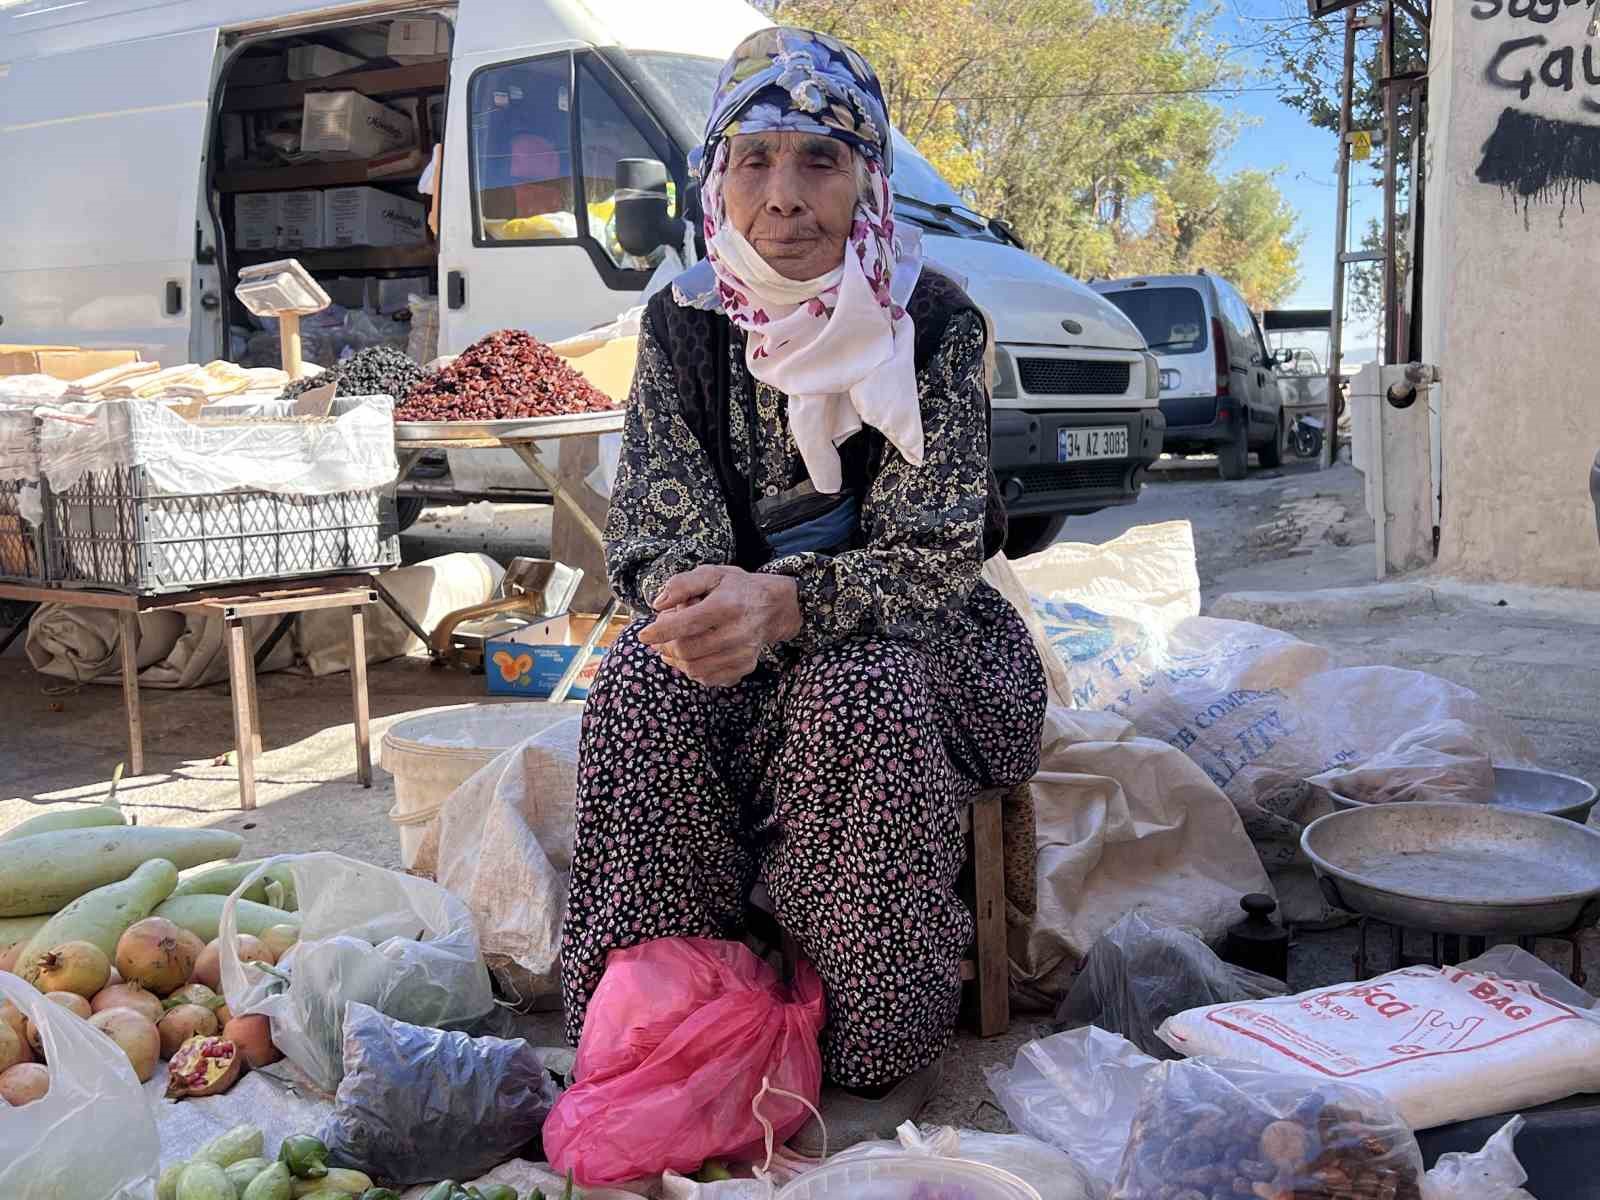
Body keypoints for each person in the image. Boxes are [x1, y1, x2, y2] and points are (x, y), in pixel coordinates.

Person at [558, 27, 1047, 1150]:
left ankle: (870, 1047)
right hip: (734, 646)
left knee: (855, 697)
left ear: (867, 180)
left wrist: (786, 605)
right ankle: (673, 1020)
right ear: (716, 178)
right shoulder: (684, 320)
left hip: (918, 642)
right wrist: (697, 609)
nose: (784, 195)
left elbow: (933, 549)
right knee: (640, 687)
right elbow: (652, 525)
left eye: (820, 160)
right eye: (756, 160)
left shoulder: (934, 320)